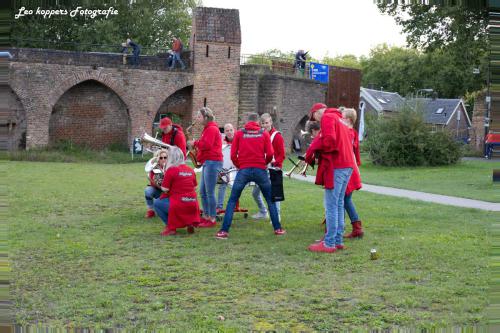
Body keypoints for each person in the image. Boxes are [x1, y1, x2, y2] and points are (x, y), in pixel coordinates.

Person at [215, 113, 286, 239]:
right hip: (260, 170)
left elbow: (233, 155)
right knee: (270, 199)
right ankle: (278, 229)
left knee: (232, 199)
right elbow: (270, 153)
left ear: (247, 121)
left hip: (244, 170)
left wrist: (239, 165)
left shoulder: (240, 133)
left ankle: (224, 231)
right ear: (258, 122)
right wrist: (264, 163)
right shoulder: (263, 133)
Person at [305, 103, 355, 253]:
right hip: (348, 165)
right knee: (339, 203)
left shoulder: (327, 117)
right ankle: (338, 240)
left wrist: (319, 153)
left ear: (317, 112)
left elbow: (330, 141)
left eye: (315, 117)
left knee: (331, 205)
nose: (317, 121)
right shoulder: (340, 118)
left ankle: (329, 243)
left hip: (337, 166)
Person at [153, 146, 200, 236]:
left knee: (157, 203)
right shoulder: (190, 169)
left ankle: (171, 227)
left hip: (179, 204)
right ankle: (189, 223)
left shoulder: (171, 170)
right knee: (180, 203)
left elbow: (165, 189)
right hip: (193, 204)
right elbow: (195, 187)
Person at [188, 107, 223, 228]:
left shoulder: (212, 129)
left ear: (206, 117)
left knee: (209, 192)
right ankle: (206, 216)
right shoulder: (207, 129)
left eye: (199, 116)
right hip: (208, 162)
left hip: (213, 162)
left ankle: (212, 218)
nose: (197, 119)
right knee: (203, 191)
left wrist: (195, 143)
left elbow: (207, 145)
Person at [251, 113, 285, 221]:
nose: (265, 125)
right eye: (263, 123)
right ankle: (263, 211)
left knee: (275, 194)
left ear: (271, 122)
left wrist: (276, 164)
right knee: (255, 193)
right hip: (262, 168)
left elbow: (281, 154)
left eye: (267, 122)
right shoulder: (260, 134)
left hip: (274, 168)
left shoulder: (277, 136)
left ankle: (277, 216)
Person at [341, 108, 364, 238]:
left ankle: (355, 227)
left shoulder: (348, 133)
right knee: (345, 199)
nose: (340, 119)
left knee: (344, 199)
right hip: (351, 168)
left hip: (347, 168)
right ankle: (355, 227)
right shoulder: (353, 133)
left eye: (342, 117)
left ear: (348, 120)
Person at [216, 123, 235, 213]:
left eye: (231, 130)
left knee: (235, 187)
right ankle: (219, 206)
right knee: (221, 185)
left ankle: (233, 205)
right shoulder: (222, 140)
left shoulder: (238, 139)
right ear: (224, 132)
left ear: (233, 130)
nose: (229, 132)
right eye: (227, 130)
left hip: (236, 166)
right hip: (224, 166)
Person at [144, 149, 168, 218]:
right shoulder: (154, 168)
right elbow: (154, 182)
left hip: (169, 191)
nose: (163, 159)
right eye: (161, 158)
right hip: (158, 190)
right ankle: (151, 210)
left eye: (165, 157)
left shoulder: (170, 167)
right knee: (148, 191)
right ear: (157, 159)